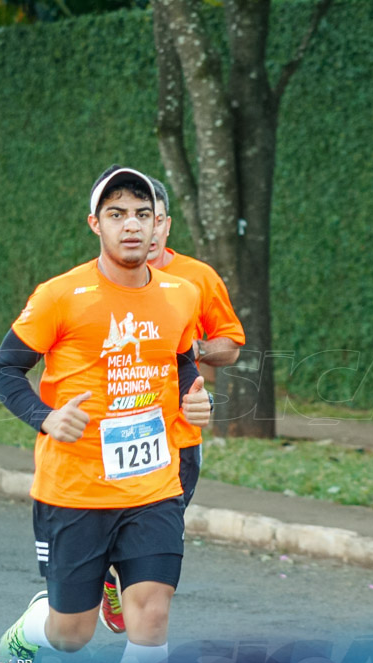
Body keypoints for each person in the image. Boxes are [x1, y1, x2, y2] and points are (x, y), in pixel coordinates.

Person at [0, 165, 211, 663]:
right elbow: (4, 369)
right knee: (73, 633)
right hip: (75, 489)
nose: (131, 225)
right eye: (117, 215)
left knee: (152, 618)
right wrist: (46, 418)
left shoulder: (181, 294)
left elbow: (180, 361)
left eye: (142, 214)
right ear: (96, 224)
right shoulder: (59, 296)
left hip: (153, 483)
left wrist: (195, 401)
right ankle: (29, 630)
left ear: (159, 226)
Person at [99, 176, 246, 634]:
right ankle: (108, 575)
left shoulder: (197, 279)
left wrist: (188, 349)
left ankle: (137, 618)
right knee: (112, 538)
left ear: (165, 224)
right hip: (116, 435)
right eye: (130, 217)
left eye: (153, 218)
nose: (145, 228)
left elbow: (232, 345)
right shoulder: (103, 278)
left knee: (151, 549)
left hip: (178, 438)